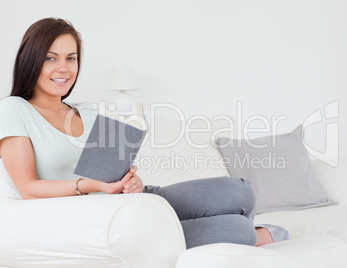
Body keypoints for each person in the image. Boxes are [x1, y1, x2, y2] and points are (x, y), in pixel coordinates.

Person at [0, 18, 289, 249]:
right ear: (30, 59)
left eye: (71, 58)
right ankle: (247, 235)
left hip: (136, 200)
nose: (63, 68)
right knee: (236, 228)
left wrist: (129, 181)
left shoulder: (85, 112)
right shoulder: (14, 110)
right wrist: (90, 185)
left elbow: (110, 172)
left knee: (239, 189)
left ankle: (238, 235)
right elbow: (28, 188)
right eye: (51, 58)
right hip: (103, 217)